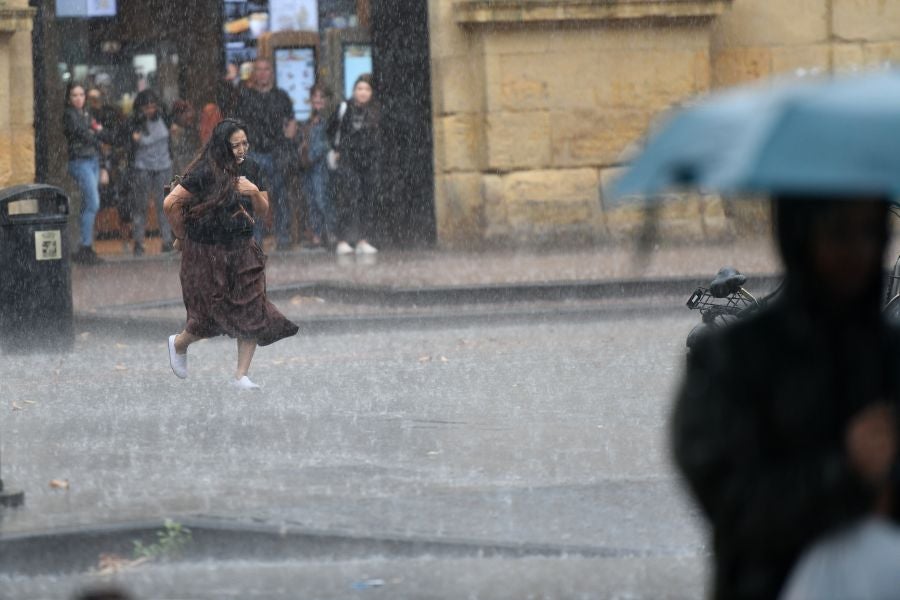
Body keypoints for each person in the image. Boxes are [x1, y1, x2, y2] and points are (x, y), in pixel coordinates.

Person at [673, 196, 900, 600]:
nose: (859, 252)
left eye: (870, 233)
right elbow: (737, 506)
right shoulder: (732, 360)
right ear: (799, 236)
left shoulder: (888, 353)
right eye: (839, 234)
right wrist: (847, 473)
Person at [163, 119, 299, 390]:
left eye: (244, 143)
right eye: (235, 145)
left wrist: (253, 193)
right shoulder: (205, 172)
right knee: (207, 315)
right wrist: (181, 237)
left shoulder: (252, 168)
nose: (241, 150)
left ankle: (241, 376)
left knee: (251, 307)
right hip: (207, 251)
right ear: (222, 146)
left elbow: (263, 210)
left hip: (242, 248)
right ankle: (178, 343)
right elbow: (171, 203)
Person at [233, 58, 297, 250]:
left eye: (266, 69)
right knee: (254, 197)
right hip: (254, 154)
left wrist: (286, 143)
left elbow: (291, 122)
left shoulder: (281, 96)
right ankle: (256, 239)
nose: (262, 73)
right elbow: (238, 125)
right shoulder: (245, 96)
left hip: (277, 152)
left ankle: (283, 238)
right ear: (254, 73)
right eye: (259, 70)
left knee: (280, 197)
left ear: (272, 73)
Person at [328, 74, 381, 256]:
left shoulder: (375, 111)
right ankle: (342, 239)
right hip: (348, 160)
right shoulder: (344, 108)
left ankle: (363, 240)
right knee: (347, 199)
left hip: (368, 161)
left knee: (367, 200)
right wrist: (337, 149)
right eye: (359, 89)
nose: (363, 93)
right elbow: (331, 130)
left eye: (366, 89)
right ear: (354, 91)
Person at [63, 81, 114, 264]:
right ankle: (85, 246)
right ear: (69, 98)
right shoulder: (69, 115)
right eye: (74, 95)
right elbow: (82, 133)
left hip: (92, 161)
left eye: (81, 95)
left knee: (88, 204)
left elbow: (104, 135)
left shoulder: (87, 114)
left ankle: (86, 246)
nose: (78, 98)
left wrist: (103, 167)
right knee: (93, 202)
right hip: (79, 162)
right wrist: (96, 136)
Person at [125, 89, 174, 256]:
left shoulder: (164, 118)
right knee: (141, 205)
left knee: (164, 205)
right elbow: (128, 142)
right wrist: (133, 139)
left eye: (153, 107)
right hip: (142, 167)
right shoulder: (135, 123)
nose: (150, 110)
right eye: (146, 108)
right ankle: (138, 242)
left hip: (163, 165)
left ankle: (167, 240)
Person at [300, 84, 336, 247]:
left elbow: (329, 143)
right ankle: (317, 235)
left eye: (321, 97)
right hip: (308, 166)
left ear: (327, 100)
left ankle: (331, 234)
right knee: (312, 201)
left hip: (322, 166)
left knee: (323, 200)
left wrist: (312, 155)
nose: (317, 100)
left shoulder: (330, 120)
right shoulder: (309, 120)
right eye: (315, 97)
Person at [169, 99, 200, 178]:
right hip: (181, 163)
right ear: (178, 114)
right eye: (185, 112)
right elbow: (177, 151)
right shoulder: (176, 129)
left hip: (190, 160)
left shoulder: (189, 127)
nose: (188, 115)